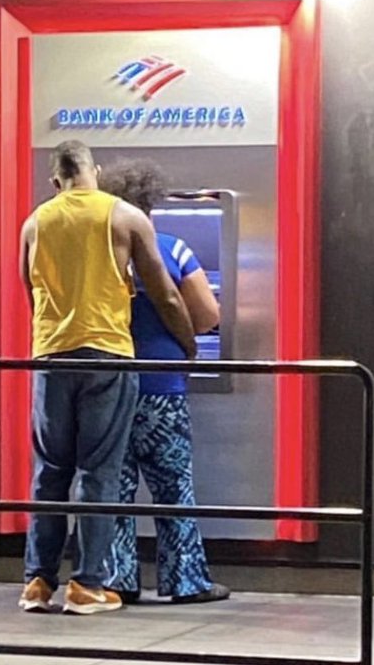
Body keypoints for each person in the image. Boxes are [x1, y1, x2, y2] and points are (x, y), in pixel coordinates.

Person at [18, 141, 196, 615]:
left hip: (51, 357)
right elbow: (166, 295)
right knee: (98, 472)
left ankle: (37, 581)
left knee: (49, 472)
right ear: (94, 171)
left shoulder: (35, 223)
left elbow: (30, 291)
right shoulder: (124, 217)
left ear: (55, 180)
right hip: (108, 356)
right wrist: (188, 345)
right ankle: (87, 585)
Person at [101, 158, 230, 604]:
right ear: (151, 204)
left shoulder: (100, 257)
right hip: (162, 389)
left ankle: (117, 580)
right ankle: (186, 580)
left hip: (109, 387)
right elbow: (208, 316)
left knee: (113, 488)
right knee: (173, 486)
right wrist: (183, 340)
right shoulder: (173, 249)